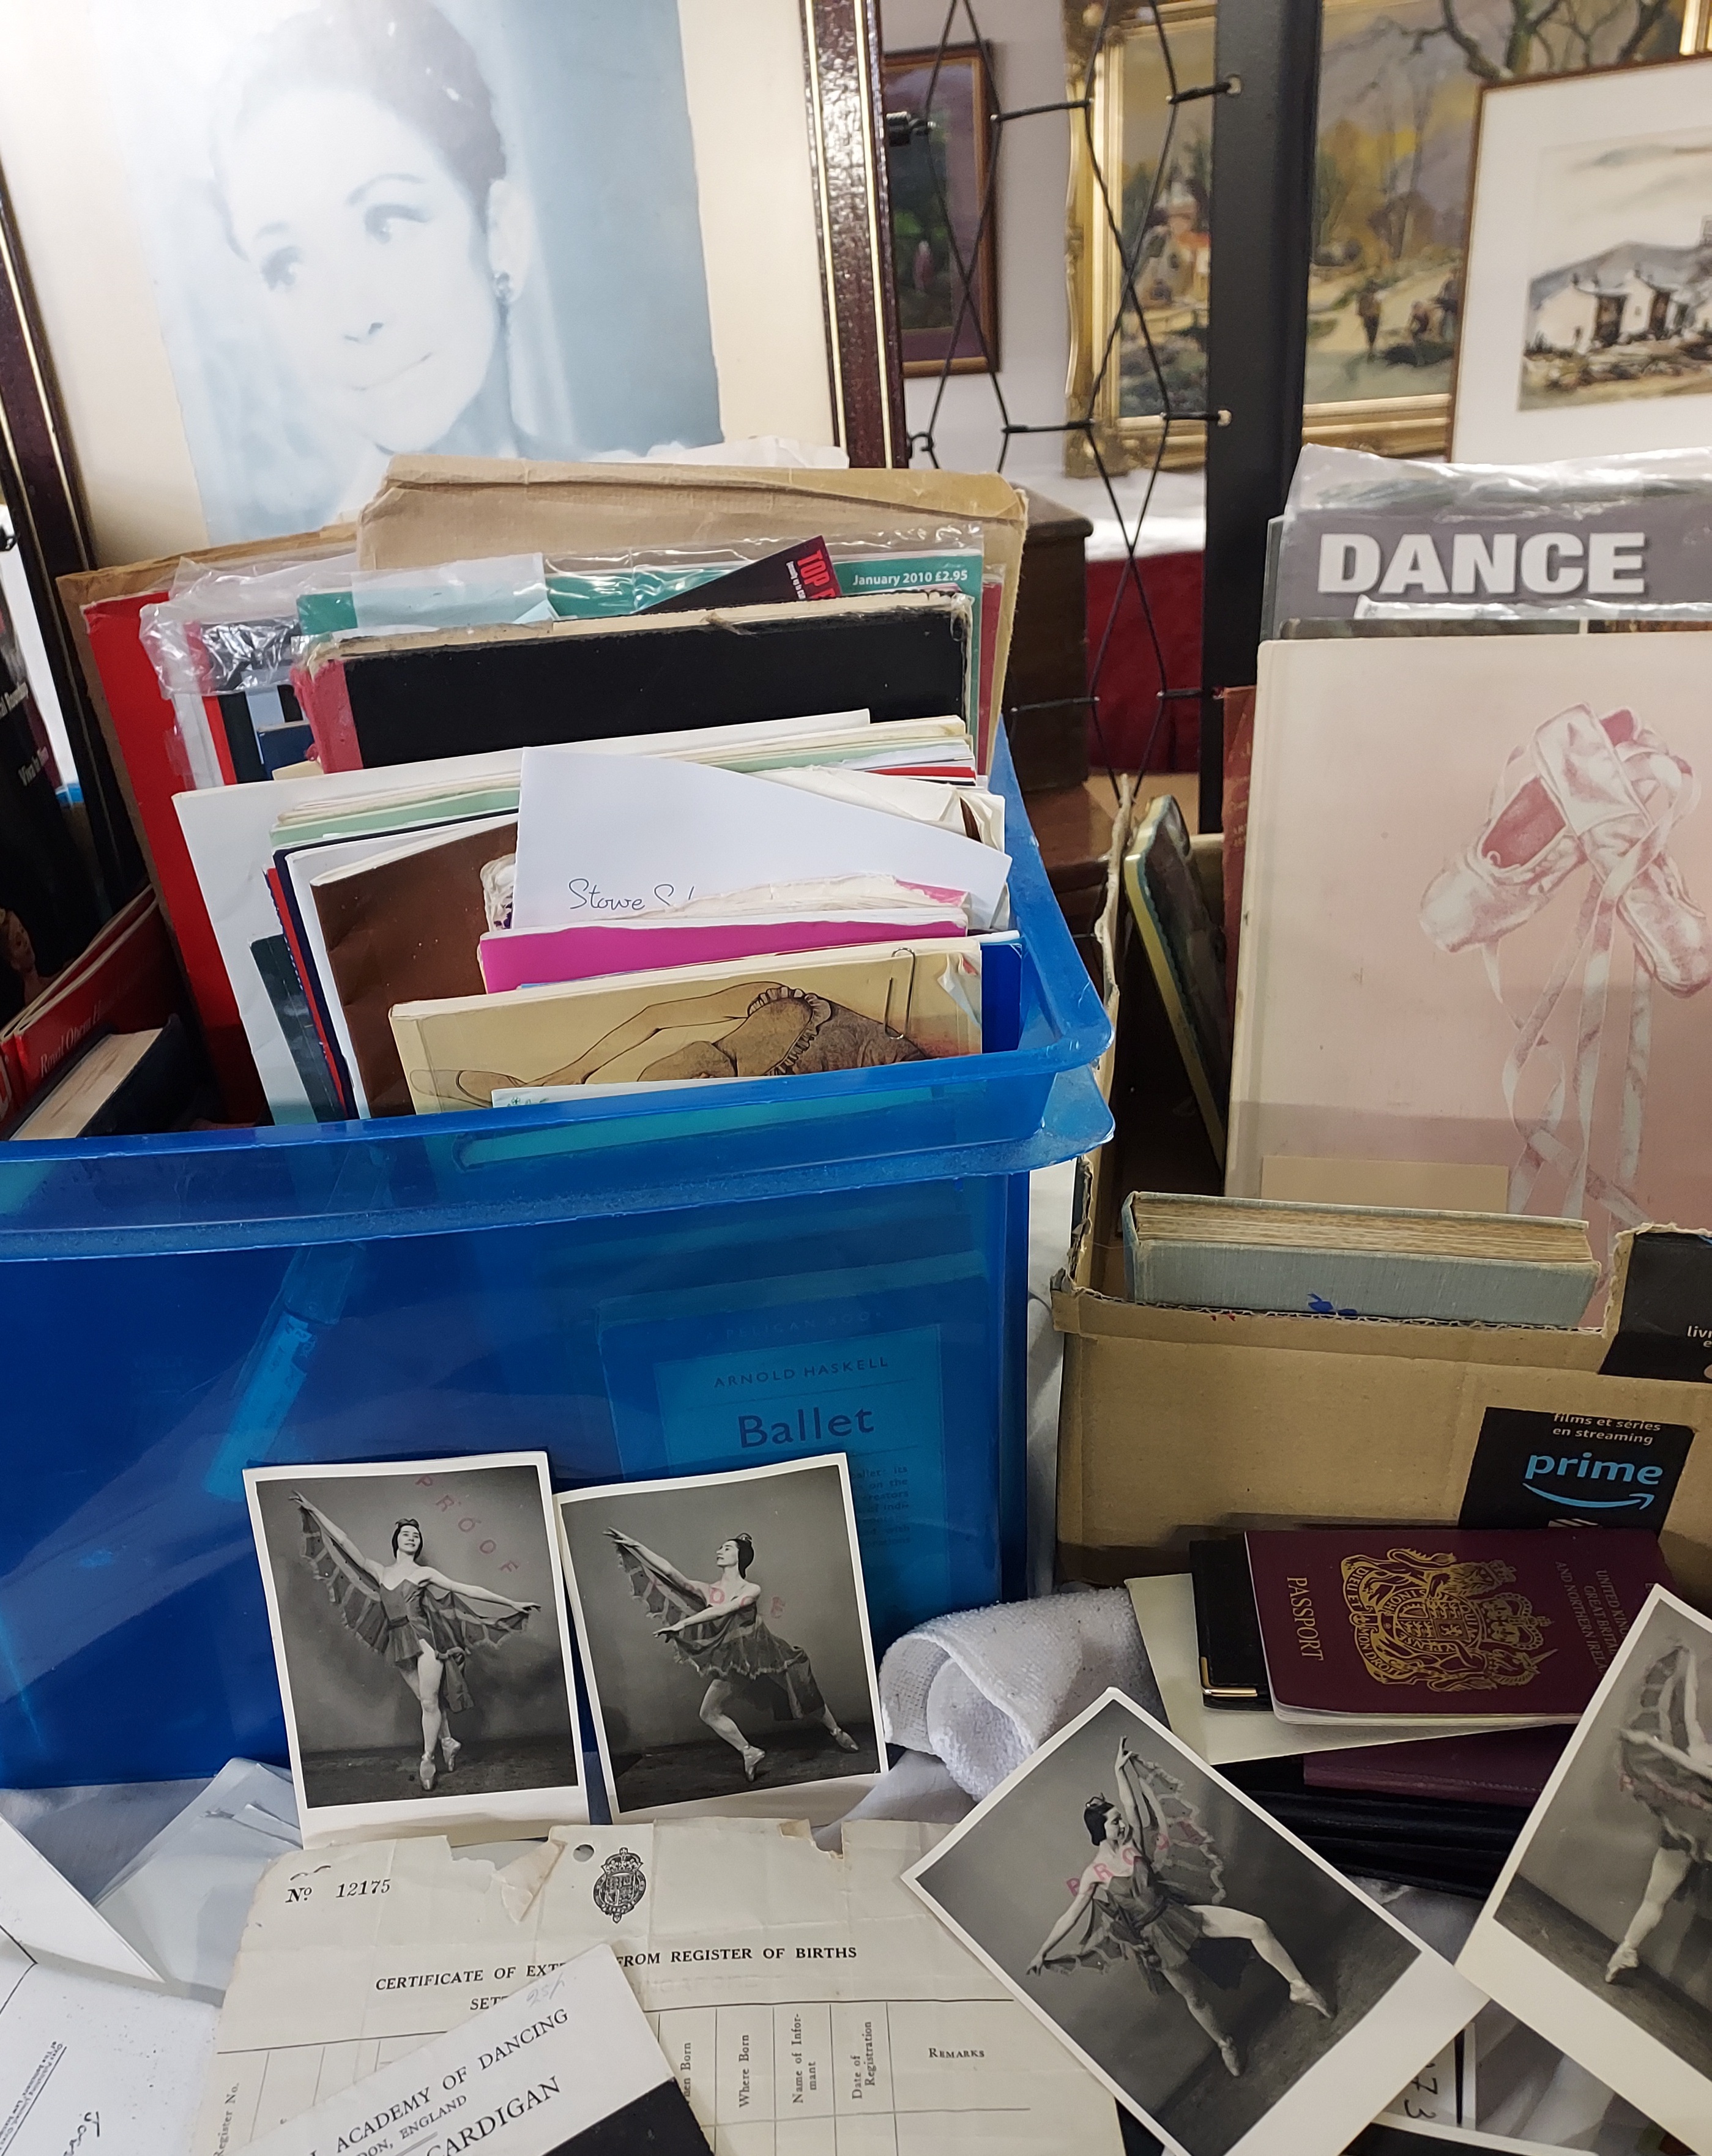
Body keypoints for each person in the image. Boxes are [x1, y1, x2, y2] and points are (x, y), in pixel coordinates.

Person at [213, 0, 537, 516]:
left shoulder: (643, 497)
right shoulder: (318, 567)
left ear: (502, 233)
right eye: (288, 267)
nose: (354, 316)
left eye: (386, 223)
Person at [1027, 1736, 1329, 2077]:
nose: (1121, 1824)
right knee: (1195, 1998)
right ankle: (1225, 2043)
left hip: (1178, 1914)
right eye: (1114, 1822)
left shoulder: (1131, 1844)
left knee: (1256, 1927)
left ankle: (1299, 1987)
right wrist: (1043, 1952)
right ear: (1099, 1831)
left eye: (1119, 1819)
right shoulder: (1095, 1874)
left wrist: (1120, 1771)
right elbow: (1071, 1916)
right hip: (1155, 1940)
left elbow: (1132, 1806)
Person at [293, 1493, 539, 1792]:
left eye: (416, 1536)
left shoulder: (424, 1573)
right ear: (396, 1541)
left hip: (426, 1640)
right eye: (406, 1534)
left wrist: (511, 1603)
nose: (411, 1538)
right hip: (398, 1642)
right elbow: (344, 1542)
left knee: (428, 1701)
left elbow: (466, 1589)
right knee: (428, 1701)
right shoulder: (380, 1571)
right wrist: (314, 1511)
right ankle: (448, 1741)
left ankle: (427, 1759)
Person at [606, 1526, 859, 1783]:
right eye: (721, 1548)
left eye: (727, 1548)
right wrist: (635, 1545)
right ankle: (749, 1752)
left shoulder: (752, 1589)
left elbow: (723, 1610)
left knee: (802, 1690)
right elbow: (671, 1573)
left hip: (766, 1653)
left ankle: (836, 1731)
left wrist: (683, 1624)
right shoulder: (708, 1590)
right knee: (709, 1712)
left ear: (740, 1556)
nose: (720, 1551)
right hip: (737, 1661)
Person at [452, 980, 927, 1106]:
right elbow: (655, 1018)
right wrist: (573, 1074)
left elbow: (655, 1018)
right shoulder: (769, 1001)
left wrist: (575, 1073)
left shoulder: (774, 1000)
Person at [1605, 1643, 1712, 1982]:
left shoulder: (1701, 1753)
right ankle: (1625, 1952)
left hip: (1691, 1829)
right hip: (1690, 1830)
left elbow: (1693, 1765)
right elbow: (1688, 1711)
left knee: (1656, 1899)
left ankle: (1626, 1952)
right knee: (1655, 1897)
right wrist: (1689, 1666)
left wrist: (1651, 1744)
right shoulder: (1702, 1746)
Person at [0, 909, 47, 1019]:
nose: (25, 940)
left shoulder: (47, 981)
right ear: (14, 963)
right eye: (18, 942)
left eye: (22, 930)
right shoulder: (31, 1003)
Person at [1357, 281, 1382, 357]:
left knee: (1373, 334)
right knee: (1371, 334)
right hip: (1369, 317)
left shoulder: (1375, 296)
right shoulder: (1364, 297)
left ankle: (1372, 350)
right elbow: (1360, 310)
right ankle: (1371, 350)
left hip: (1374, 316)